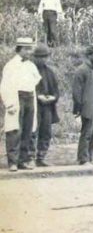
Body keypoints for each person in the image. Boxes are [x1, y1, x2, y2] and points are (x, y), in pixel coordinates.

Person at [1, 37, 41, 172]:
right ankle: (13, 161)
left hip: (29, 97)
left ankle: (23, 160)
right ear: (19, 49)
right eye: (26, 49)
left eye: (30, 49)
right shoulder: (11, 65)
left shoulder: (31, 65)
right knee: (14, 130)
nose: (29, 52)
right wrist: (9, 103)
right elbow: (5, 86)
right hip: (17, 98)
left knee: (27, 129)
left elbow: (35, 81)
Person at [71, 44, 93, 165]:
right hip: (87, 108)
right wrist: (78, 109)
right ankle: (83, 159)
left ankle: (89, 157)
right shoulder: (82, 70)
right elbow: (76, 92)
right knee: (87, 133)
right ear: (90, 55)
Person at [32, 43, 60, 167]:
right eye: (40, 57)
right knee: (32, 131)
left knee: (46, 131)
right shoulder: (30, 70)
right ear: (35, 57)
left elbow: (56, 90)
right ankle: (30, 157)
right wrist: (38, 96)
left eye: (45, 57)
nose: (43, 59)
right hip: (34, 105)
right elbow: (27, 87)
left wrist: (53, 97)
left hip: (48, 107)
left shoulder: (50, 72)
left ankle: (41, 157)